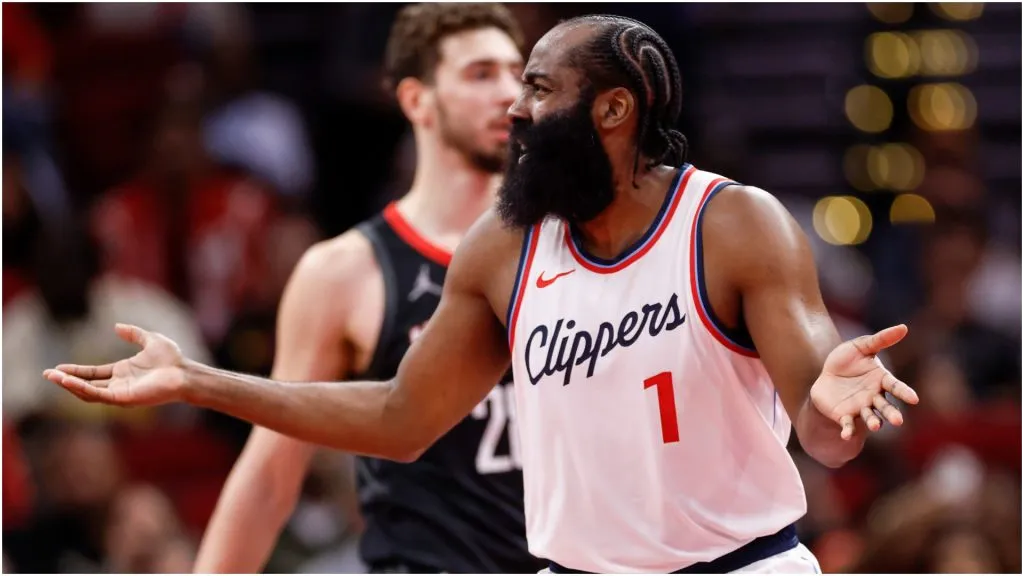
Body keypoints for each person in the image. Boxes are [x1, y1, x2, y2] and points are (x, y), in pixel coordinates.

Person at [46, 14, 920, 574]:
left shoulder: (732, 222)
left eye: (539, 87)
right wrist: (200, 381)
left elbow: (824, 433)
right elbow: (399, 418)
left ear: (613, 112)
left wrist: (834, 411)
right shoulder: (504, 246)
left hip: (742, 568)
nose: (517, 110)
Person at [195, 4, 537, 574]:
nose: (508, 93)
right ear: (415, 100)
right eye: (480, 74)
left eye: (516, 73)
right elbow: (270, 477)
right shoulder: (345, 271)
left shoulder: (576, 242)